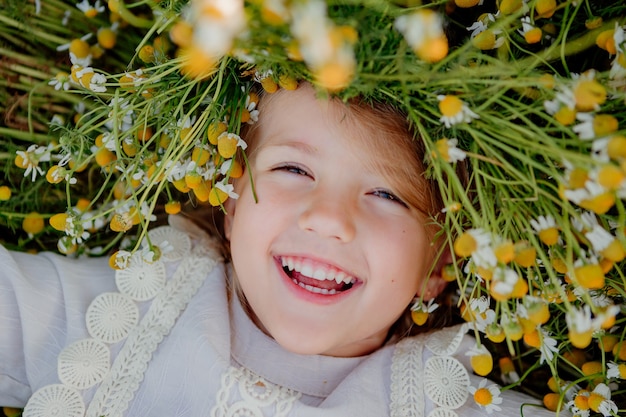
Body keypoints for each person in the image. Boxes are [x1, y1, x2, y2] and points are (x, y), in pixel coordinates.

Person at [0, 82, 555, 417]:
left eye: (387, 194)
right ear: (233, 202)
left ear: (438, 266)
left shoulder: (453, 402)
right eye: (293, 168)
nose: (328, 218)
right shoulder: (118, 322)